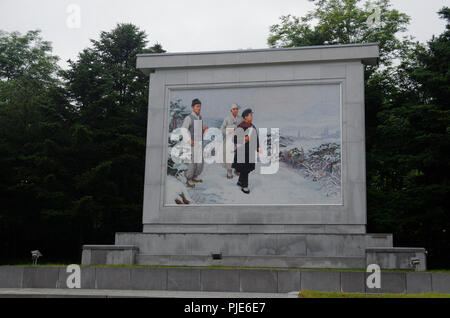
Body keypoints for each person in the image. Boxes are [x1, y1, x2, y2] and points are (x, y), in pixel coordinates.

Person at [232, 108, 262, 194]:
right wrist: (244, 138)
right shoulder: (240, 127)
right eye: (250, 115)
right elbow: (234, 139)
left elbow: (256, 138)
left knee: (247, 169)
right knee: (244, 169)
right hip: (242, 152)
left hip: (250, 152)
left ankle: (240, 181)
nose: (252, 117)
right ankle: (244, 186)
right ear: (245, 117)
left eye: (252, 115)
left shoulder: (253, 127)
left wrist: (257, 147)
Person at [181, 98, 208, 188]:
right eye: (197, 106)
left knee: (199, 163)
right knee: (192, 163)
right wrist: (189, 140)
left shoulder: (200, 117)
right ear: (193, 108)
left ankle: (194, 177)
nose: (199, 108)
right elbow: (184, 130)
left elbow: (198, 131)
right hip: (192, 144)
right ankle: (188, 179)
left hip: (199, 143)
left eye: (200, 106)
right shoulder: (189, 118)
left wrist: (203, 130)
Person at [220, 103, 241, 179]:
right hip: (229, 140)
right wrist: (230, 130)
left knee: (238, 155)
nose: (235, 111)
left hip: (238, 140)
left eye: (237, 109)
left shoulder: (240, 118)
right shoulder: (227, 119)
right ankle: (229, 172)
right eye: (234, 109)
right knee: (229, 156)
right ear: (231, 110)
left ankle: (237, 169)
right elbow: (221, 129)